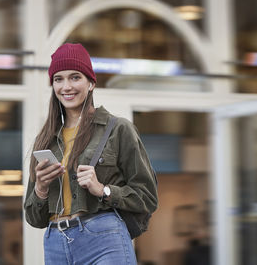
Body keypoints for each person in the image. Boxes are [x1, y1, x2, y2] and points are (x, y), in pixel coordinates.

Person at [24, 43, 158, 265]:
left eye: (75, 77)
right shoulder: (46, 139)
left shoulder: (117, 129)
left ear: (91, 83)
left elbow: (148, 197)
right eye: (58, 79)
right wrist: (40, 188)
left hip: (103, 238)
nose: (66, 86)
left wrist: (103, 190)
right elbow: (34, 219)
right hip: (56, 242)